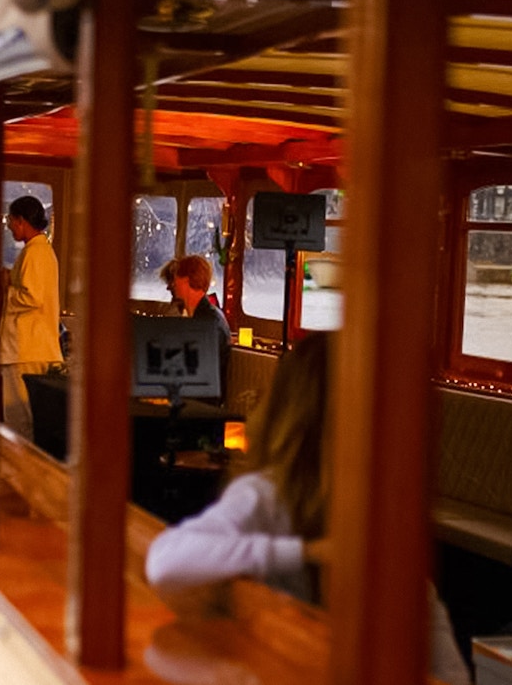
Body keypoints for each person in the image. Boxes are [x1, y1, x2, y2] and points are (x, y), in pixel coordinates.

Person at [146, 334, 471, 685]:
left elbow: (448, 670)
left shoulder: (382, 518)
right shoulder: (269, 498)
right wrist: (306, 552)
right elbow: (167, 562)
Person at [0, 195, 62, 440]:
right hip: (32, 348)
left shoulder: (35, 253)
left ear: (22, 221)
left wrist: (7, 287)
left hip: (25, 349)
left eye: (11, 221)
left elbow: (32, 298)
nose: (9, 226)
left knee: (19, 421)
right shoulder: (39, 252)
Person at [161, 255, 230, 400]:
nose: (173, 284)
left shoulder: (210, 322)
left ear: (185, 281)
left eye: (176, 278)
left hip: (201, 404)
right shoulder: (198, 316)